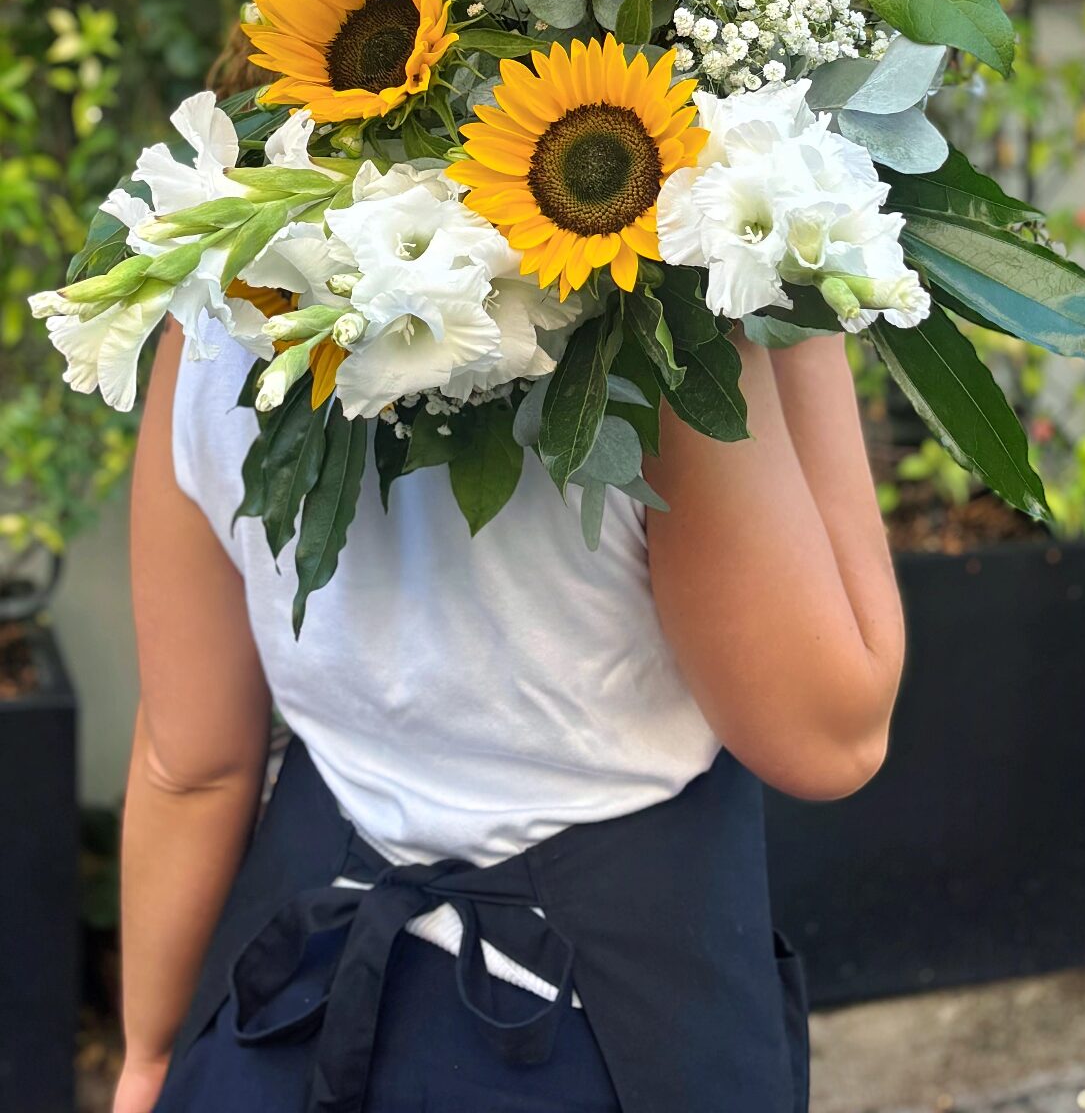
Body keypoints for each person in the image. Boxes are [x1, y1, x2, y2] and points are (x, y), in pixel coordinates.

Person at [114, 82, 905, 1112]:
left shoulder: (223, 301)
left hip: (281, 1014)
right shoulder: (659, 345)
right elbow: (832, 734)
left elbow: (190, 764)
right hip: (601, 1036)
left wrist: (150, 1053)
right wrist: (783, 281)